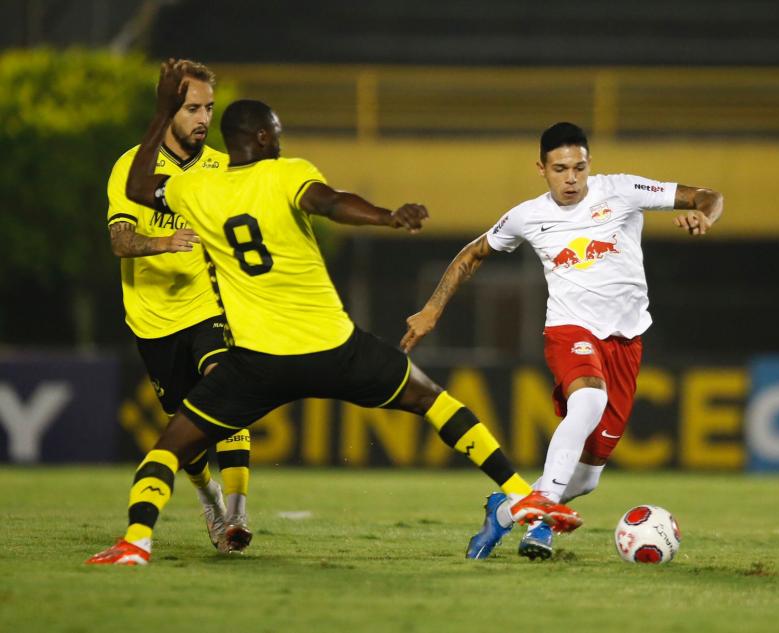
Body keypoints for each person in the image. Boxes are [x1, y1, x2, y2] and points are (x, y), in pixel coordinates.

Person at [86, 60, 577, 566]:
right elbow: (332, 202)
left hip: (258, 361)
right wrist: (387, 217)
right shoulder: (286, 172)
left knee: (169, 447)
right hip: (333, 347)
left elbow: (139, 189)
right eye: (275, 133)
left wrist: (161, 112)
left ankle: (136, 542)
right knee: (433, 400)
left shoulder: (198, 189)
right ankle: (521, 493)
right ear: (260, 137)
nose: (279, 141)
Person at [401, 121, 723, 561]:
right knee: (587, 403)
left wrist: (703, 215)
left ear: (590, 165)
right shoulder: (527, 216)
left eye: (579, 168)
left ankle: (507, 512)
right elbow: (472, 254)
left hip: (626, 341)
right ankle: (542, 516)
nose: (571, 179)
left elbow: (709, 196)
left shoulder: (622, 190)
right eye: (560, 169)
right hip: (570, 330)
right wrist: (432, 309)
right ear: (541, 169)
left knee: (587, 479)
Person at [106, 60, 253, 554]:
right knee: (184, 426)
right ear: (169, 109)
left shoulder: (222, 167)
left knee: (228, 390)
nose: (203, 118)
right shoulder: (134, 166)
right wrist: (165, 242)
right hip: (152, 321)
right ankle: (207, 493)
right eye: (192, 108)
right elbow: (121, 241)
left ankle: (235, 515)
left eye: (209, 108)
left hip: (210, 308)